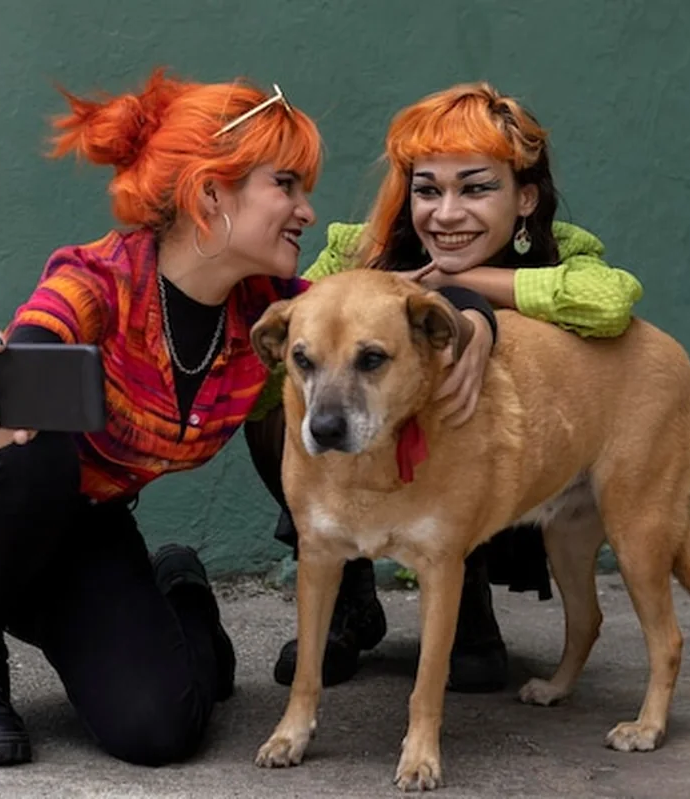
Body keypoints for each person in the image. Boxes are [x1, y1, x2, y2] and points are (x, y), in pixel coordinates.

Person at [0, 68, 489, 770]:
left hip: (82, 534)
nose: (305, 210)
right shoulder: (100, 279)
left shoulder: (285, 315)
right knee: (32, 440)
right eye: (285, 184)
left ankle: (178, 594)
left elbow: (409, 303)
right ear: (210, 194)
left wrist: (479, 322)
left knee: (158, 727)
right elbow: (34, 343)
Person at [244, 81, 644, 693]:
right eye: (428, 190)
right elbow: (272, 364)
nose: (447, 213)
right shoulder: (359, 254)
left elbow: (611, 304)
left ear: (526, 197)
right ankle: (348, 590)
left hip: (493, 486)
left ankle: (469, 601)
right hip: (349, 484)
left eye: (476, 187)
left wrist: (471, 294)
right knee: (289, 402)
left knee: (475, 417)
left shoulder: (561, 255)